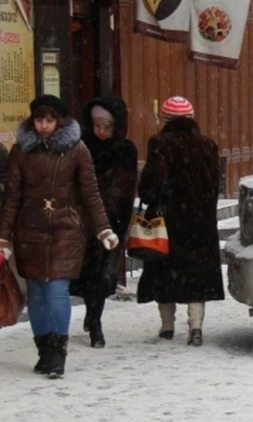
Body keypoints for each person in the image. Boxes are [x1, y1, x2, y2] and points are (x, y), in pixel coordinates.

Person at [0, 94, 119, 378]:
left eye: (49, 120)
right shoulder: (21, 151)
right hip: (29, 231)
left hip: (67, 229)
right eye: (39, 119)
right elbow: (12, 198)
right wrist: (3, 238)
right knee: (37, 295)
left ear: (60, 121)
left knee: (55, 291)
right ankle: (44, 349)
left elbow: (91, 194)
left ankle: (58, 352)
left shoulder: (78, 150)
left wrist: (103, 228)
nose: (43, 125)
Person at [136, 96, 224, 347]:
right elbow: (214, 185)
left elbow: (153, 182)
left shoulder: (160, 143)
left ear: (165, 120)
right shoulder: (208, 145)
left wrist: (150, 194)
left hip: (168, 221)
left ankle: (167, 326)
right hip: (200, 223)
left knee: (164, 272)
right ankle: (196, 327)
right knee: (196, 276)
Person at [71, 96, 138, 349]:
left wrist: (119, 222)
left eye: (106, 126)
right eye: (97, 125)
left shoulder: (126, 150)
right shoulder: (81, 146)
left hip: (112, 221)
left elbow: (128, 187)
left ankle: (95, 320)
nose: (101, 131)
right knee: (87, 274)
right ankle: (92, 317)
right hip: (82, 222)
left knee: (102, 276)